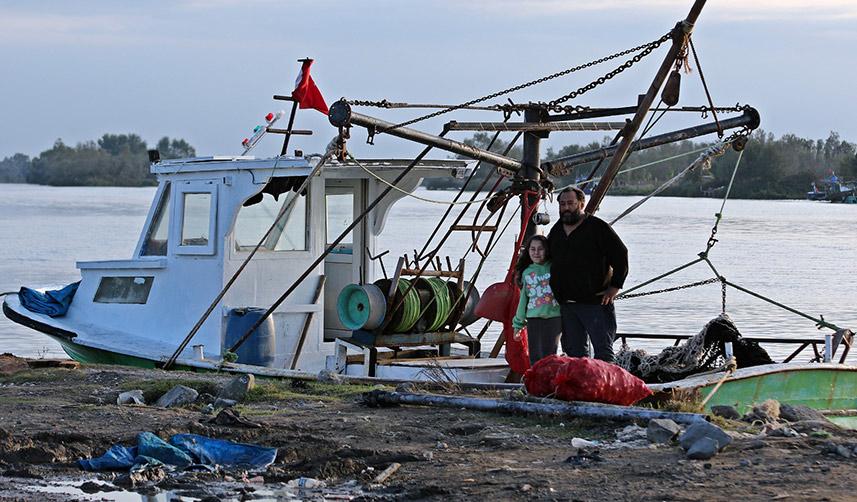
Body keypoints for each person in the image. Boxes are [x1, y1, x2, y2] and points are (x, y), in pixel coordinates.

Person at [548, 187, 628, 362]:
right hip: (566, 304)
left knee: (603, 351)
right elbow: (546, 259)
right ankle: (580, 387)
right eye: (562, 204)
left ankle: (606, 388)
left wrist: (615, 286)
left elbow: (621, 255)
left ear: (581, 204)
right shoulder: (556, 230)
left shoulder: (598, 228)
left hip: (595, 303)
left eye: (570, 203)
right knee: (574, 353)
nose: (566, 208)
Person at [512, 235, 562, 365]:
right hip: (534, 319)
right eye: (532, 249)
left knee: (550, 355)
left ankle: (549, 382)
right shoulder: (526, 272)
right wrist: (518, 324)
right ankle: (536, 382)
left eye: (540, 249)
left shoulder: (554, 267)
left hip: (554, 318)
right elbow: (523, 300)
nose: (536, 252)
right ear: (528, 252)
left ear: (547, 250)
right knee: (535, 356)